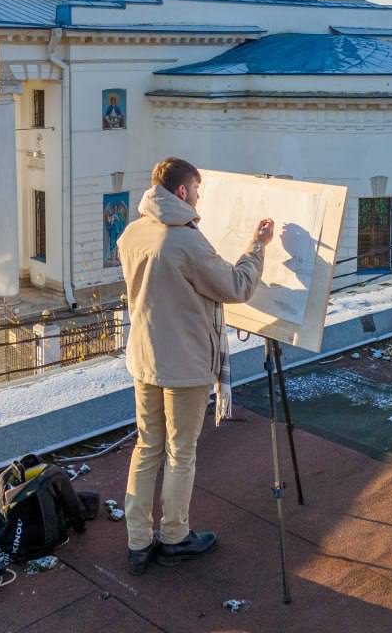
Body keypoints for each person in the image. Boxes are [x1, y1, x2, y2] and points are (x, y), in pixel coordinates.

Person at [117, 157, 274, 575]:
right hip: (184, 364)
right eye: (197, 191)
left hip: (144, 358)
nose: (199, 199)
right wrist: (257, 246)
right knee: (180, 451)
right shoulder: (187, 242)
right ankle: (174, 536)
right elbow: (237, 286)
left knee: (147, 447)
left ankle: (137, 542)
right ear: (182, 192)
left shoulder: (132, 233)